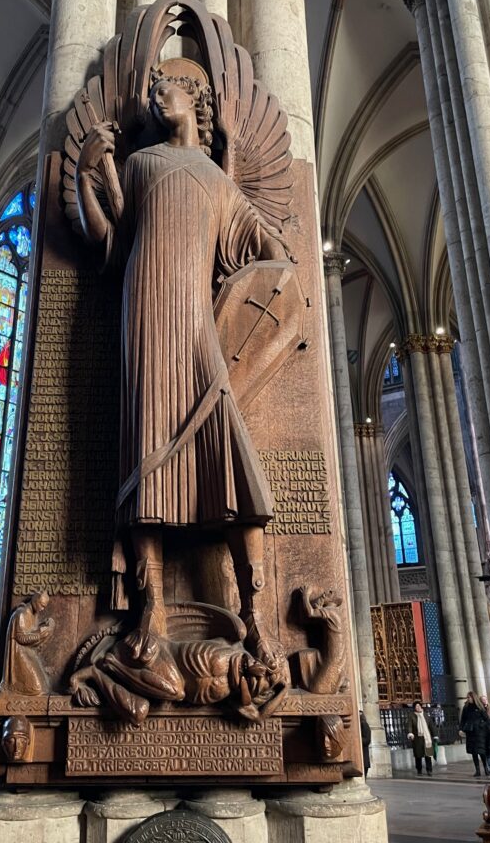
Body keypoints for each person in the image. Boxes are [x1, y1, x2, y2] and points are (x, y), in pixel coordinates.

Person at [76, 71, 291, 670]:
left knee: (234, 469)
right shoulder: (140, 166)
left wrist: (274, 283)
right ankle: (153, 610)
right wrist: (85, 175)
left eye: (166, 89)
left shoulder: (219, 181)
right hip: (144, 313)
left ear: (194, 102)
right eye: (153, 92)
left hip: (197, 319)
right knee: (147, 458)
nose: (156, 97)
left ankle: (252, 615)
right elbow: (110, 241)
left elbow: (269, 253)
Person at [459, 691, 490, 777]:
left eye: (469, 697)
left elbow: (486, 719)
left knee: (481, 751)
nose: (468, 699)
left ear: (473, 698)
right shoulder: (466, 708)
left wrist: (480, 725)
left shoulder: (480, 707)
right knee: (474, 752)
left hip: (479, 733)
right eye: (467, 698)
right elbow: (463, 720)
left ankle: (486, 768)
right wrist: (461, 729)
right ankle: (477, 770)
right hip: (470, 732)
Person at [407, 701, 437, 776]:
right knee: (418, 755)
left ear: (421, 707)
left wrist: (435, 735)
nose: (418, 708)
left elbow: (431, 726)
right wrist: (410, 733)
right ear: (414, 708)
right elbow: (409, 725)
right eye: (416, 706)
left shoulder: (426, 715)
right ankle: (419, 770)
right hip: (417, 738)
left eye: (419, 706)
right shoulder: (412, 716)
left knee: (428, 754)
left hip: (427, 738)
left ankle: (429, 770)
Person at [359, 710, 371, 777]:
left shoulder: (364, 724)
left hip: (363, 756)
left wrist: (357, 739)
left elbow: (367, 740)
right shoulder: (360, 725)